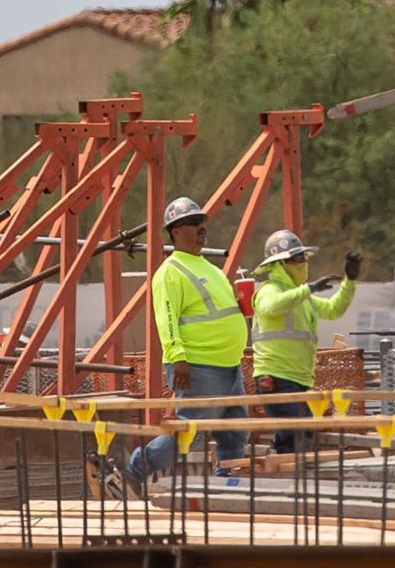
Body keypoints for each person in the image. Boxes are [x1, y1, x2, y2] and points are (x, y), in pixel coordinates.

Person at [93, 196, 249, 496]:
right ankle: (131, 473)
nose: (202, 227)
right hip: (199, 367)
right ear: (176, 231)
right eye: (193, 223)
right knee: (186, 435)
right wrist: (178, 357)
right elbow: (165, 319)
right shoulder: (171, 272)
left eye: (202, 222)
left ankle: (226, 488)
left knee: (236, 431)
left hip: (229, 367)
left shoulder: (212, 270)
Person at [251, 230, 360, 453]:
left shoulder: (302, 296)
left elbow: (333, 309)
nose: (302, 263)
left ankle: (286, 474)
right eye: (296, 259)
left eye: (304, 258)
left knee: (302, 433)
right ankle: (283, 476)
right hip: (275, 377)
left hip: (298, 378)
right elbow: (271, 307)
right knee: (294, 433)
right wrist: (308, 288)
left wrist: (349, 281)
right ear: (280, 265)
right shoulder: (269, 290)